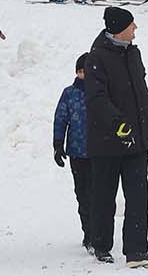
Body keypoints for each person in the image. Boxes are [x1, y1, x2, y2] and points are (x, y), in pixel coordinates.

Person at [83, 8, 148, 268]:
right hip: (107, 141)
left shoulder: (133, 53)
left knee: (139, 196)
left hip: (137, 139)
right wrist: (118, 125)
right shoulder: (97, 58)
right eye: (131, 25)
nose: (135, 28)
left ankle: (136, 251)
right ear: (118, 30)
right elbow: (96, 99)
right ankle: (100, 244)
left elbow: (140, 88)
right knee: (104, 196)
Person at [52, 54, 93, 252]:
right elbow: (61, 119)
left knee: (99, 195)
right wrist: (58, 144)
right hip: (77, 153)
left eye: (86, 71)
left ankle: (99, 233)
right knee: (82, 194)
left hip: (99, 152)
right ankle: (88, 232)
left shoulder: (101, 91)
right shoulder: (69, 93)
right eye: (80, 71)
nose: (83, 74)